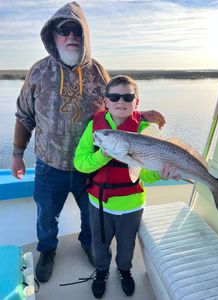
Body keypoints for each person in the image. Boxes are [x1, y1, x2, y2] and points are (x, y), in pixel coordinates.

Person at [11, 1, 165, 284]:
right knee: (47, 215)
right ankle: (47, 251)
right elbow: (24, 115)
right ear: (53, 35)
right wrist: (18, 153)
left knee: (89, 214)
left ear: (86, 36)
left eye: (77, 31)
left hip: (90, 164)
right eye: (64, 30)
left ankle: (86, 242)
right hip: (49, 164)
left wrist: (141, 115)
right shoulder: (38, 72)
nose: (71, 36)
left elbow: (115, 106)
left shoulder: (97, 72)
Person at [74, 75, 181, 298]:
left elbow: (147, 175)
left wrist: (162, 174)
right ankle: (101, 272)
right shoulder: (96, 128)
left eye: (127, 96)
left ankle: (124, 271)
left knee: (126, 246)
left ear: (137, 102)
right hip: (99, 204)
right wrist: (103, 155)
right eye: (114, 96)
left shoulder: (146, 130)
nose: (120, 101)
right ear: (106, 101)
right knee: (100, 244)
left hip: (132, 205)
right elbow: (80, 163)